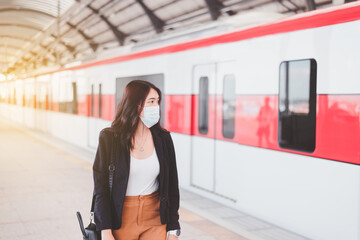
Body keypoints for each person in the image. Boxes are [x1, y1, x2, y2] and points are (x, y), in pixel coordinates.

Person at [92, 80, 181, 240]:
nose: (156, 107)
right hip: (120, 219)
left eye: (158, 102)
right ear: (135, 105)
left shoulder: (164, 139)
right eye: (151, 102)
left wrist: (173, 230)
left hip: (155, 219)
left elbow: (172, 185)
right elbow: (101, 189)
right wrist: (105, 230)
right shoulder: (109, 138)